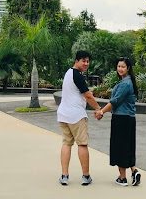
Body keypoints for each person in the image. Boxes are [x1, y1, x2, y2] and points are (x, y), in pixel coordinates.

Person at [57, 50, 103, 186]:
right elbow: (87, 95)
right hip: (76, 116)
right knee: (82, 144)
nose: (86, 63)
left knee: (66, 144)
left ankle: (64, 176)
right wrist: (98, 109)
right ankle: (85, 176)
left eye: (88, 61)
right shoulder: (77, 75)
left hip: (63, 115)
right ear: (76, 61)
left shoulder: (68, 73)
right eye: (83, 61)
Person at [94, 58, 141, 187]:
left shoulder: (125, 84)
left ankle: (123, 178)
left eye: (123, 67)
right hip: (129, 118)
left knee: (120, 147)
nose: (120, 68)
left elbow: (115, 101)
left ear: (128, 68)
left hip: (121, 119)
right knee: (128, 146)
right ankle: (134, 171)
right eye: (119, 66)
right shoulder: (127, 82)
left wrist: (101, 112)